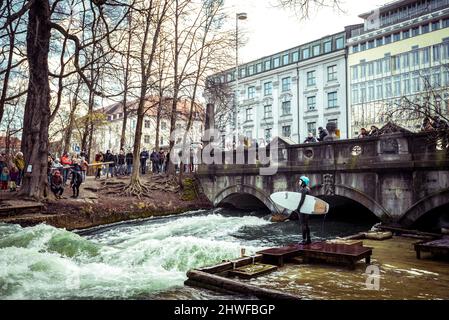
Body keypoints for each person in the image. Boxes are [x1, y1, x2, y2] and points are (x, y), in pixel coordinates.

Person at [296, 175, 311, 245]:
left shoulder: (303, 190)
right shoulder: (308, 189)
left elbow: (302, 200)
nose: (299, 182)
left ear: (303, 182)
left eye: (300, 181)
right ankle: (308, 239)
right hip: (307, 209)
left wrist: (298, 208)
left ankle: (304, 240)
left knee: (303, 224)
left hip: (303, 209)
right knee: (306, 224)